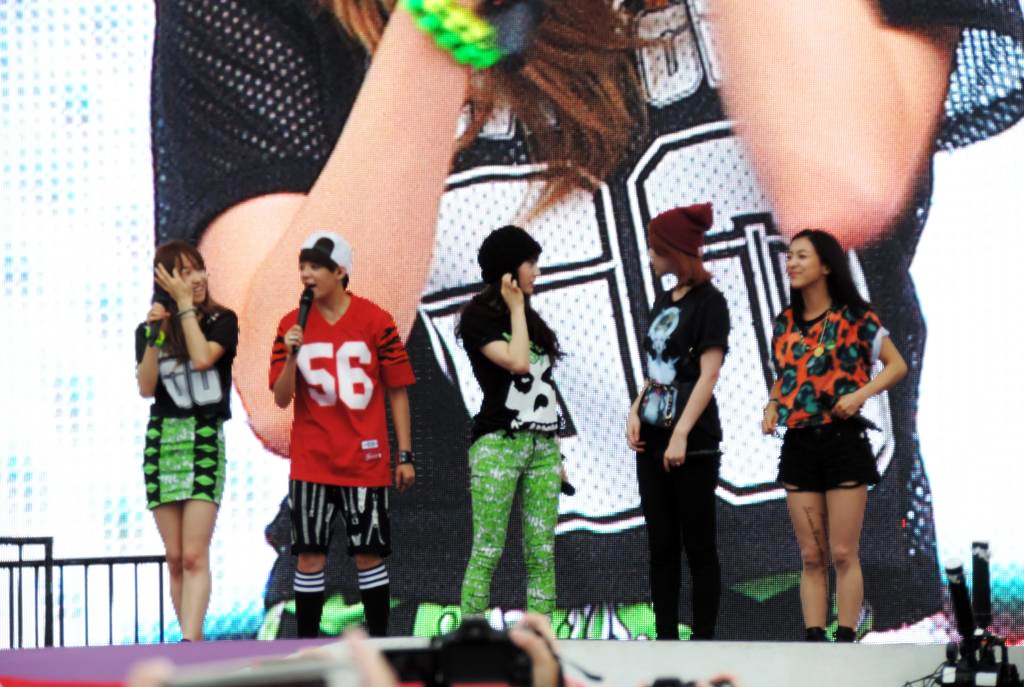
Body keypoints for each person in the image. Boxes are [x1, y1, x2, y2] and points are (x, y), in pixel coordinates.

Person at [153, 0, 1024, 637]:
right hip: (427, 627)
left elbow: (839, 179)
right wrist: (441, 27)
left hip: (800, 614)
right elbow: (293, 393)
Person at [762, 229, 908, 642]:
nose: (792, 263)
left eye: (802, 256)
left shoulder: (856, 318)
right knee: (811, 555)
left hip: (843, 443)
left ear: (826, 265)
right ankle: (814, 638)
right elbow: (785, 376)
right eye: (790, 256)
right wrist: (772, 406)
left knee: (843, 552)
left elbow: (897, 365)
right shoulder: (785, 323)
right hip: (799, 443)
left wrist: (859, 396)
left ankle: (846, 636)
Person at [269, 231, 416, 638]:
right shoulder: (290, 324)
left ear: (340, 271)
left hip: (364, 459)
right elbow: (279, 398)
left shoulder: (376, 320)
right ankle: (305, 637)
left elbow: (398, 389)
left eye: (316, 266)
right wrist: (292, 356)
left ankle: (380, 632)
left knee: (369, 553)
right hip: (312, 461)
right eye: (303, 266)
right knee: (310, 555)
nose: (307, 274)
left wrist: (405, 454)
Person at [626, 203, 729, 640]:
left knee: (698, 545)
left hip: (693, 439)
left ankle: (702, 639)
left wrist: (682, 434)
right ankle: (665, 636)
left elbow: (708, 374)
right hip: (653, 434)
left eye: (655, 249)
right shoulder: (663, 300)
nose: (650, 257)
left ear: (675, 251)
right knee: (661, 545)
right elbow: (657, 368)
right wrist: (635, 408)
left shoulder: (711, 303)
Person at [457, 226, 565, 618]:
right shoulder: (478, 318)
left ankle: (541, 635)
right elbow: (518, 363)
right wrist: (517, 309)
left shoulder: (530, 322)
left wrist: (557, 452)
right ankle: (471, 633)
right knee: (488, 549)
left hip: (542, 446)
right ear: (508, 270)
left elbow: (542, 384)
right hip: (499, 444)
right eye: (529, 263)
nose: (536, 271)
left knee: (541, 551)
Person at [135, 241, 238, 642]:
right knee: (175, 557)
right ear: (164, 280)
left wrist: (185, 307)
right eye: (183, 273)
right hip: (163, 441)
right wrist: (154, 337)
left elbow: (201, 357)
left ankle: (191, 643)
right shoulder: (152, 327)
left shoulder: (222, 320)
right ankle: (188, 638)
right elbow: (146, 387)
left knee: (194, 554)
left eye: (198, 269)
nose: (195, 279)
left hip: (203, 438)